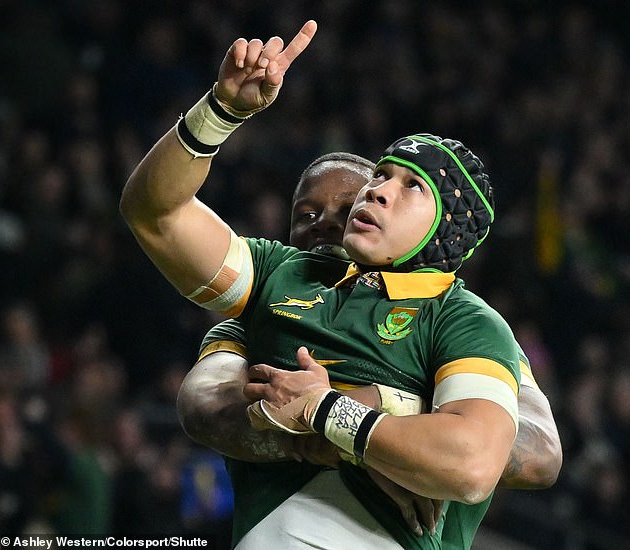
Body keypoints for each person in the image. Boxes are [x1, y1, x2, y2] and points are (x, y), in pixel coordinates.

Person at [120, 20, 557, 549]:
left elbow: (480, 459)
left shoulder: (466, 320)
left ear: (444, 227)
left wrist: (330, 412)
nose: (376, 194)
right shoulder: (278, 275)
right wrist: (221, 112)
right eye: (380, 177)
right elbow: (156, 213)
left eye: (410, 186)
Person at [176, 151, 562, 546]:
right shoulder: (267, 304)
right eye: (306, 215)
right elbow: (203, 406)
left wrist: (369, 410)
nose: (325, 224)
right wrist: (346, 440)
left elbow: (538, 452)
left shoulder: (461, 325)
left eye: (345, 210)